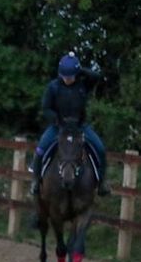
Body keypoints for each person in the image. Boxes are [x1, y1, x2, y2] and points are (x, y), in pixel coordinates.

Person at [31, 51, 110, 197]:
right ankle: (36, 181)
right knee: (40, 150)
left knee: (100, 148)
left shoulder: (83, 85)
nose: (68, 79)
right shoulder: (53, 87)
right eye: (65, 76)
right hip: (59, 126)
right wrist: (56, 119)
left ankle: (102, 182)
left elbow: (96, 77)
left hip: (80, 126)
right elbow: (46, 108)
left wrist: (78, 69)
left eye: (70, 76)